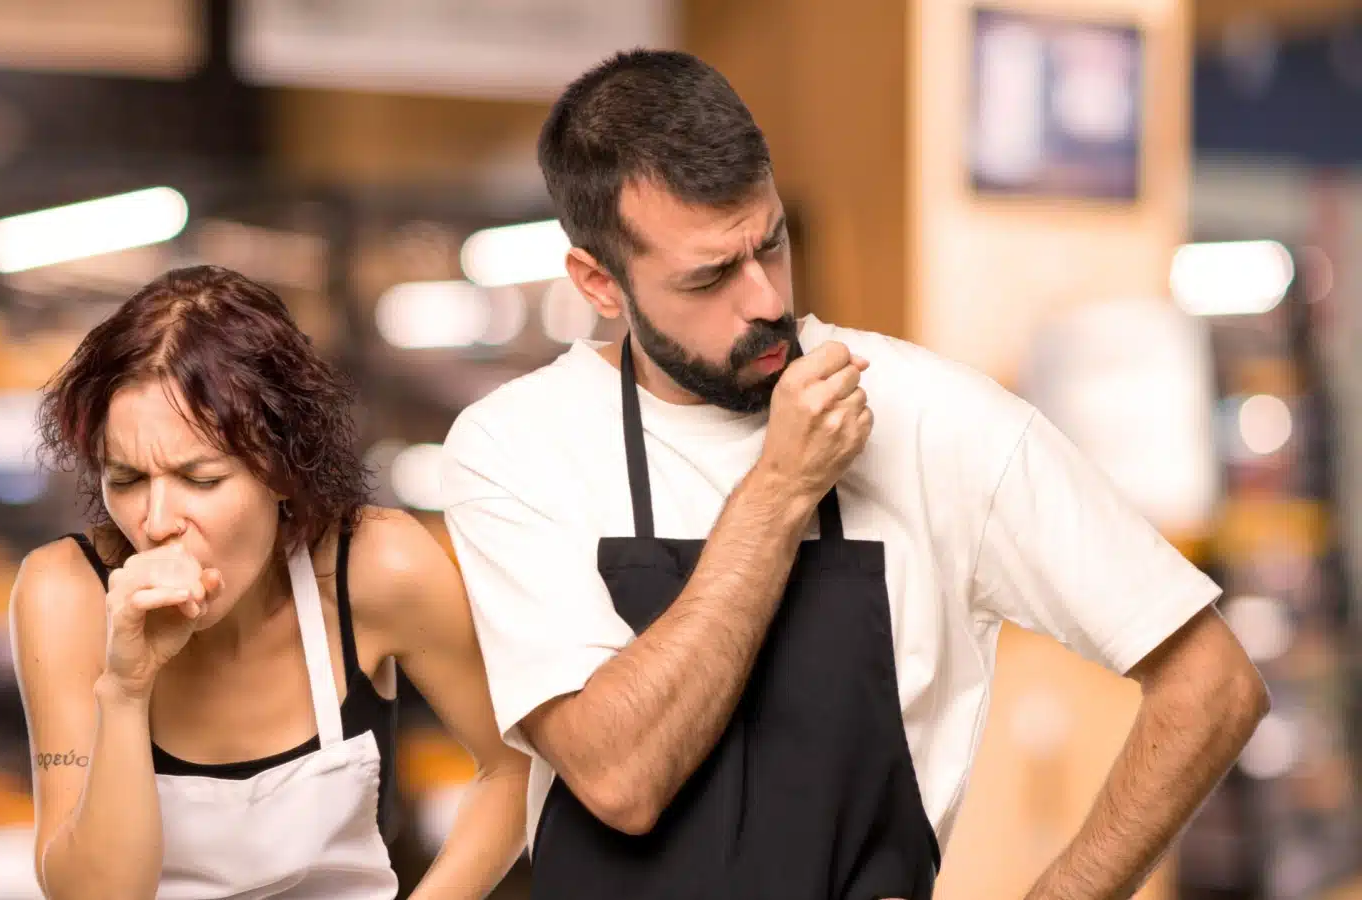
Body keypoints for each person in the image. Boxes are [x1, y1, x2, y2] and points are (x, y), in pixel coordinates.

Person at [439, 49, 1270, 900]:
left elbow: (1213, 683)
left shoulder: (934, 418)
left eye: (771, 243)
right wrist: (782, 488)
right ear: (599, 284)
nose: (766, 301)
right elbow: (620, 778)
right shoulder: (517, 448)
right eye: (711, 275)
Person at [10, 265, 529, 900]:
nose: (157, 521)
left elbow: (514, 765)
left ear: (283, 470)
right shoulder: (64, 593)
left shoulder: (377, 567)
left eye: (201, 479)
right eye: (127, 479)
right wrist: (124, 691)